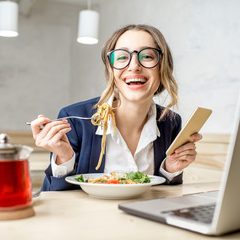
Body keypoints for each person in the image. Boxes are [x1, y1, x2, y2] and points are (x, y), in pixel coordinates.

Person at [30, 24, 202, 191]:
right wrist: (64, 158)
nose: (134, 66)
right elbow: (53, 198)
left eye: (147, 56)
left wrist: (170, 169)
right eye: (122, 57)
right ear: (111, 69)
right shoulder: (73, 118)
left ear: (163, 67)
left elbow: (163, 195)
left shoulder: (170, 122)